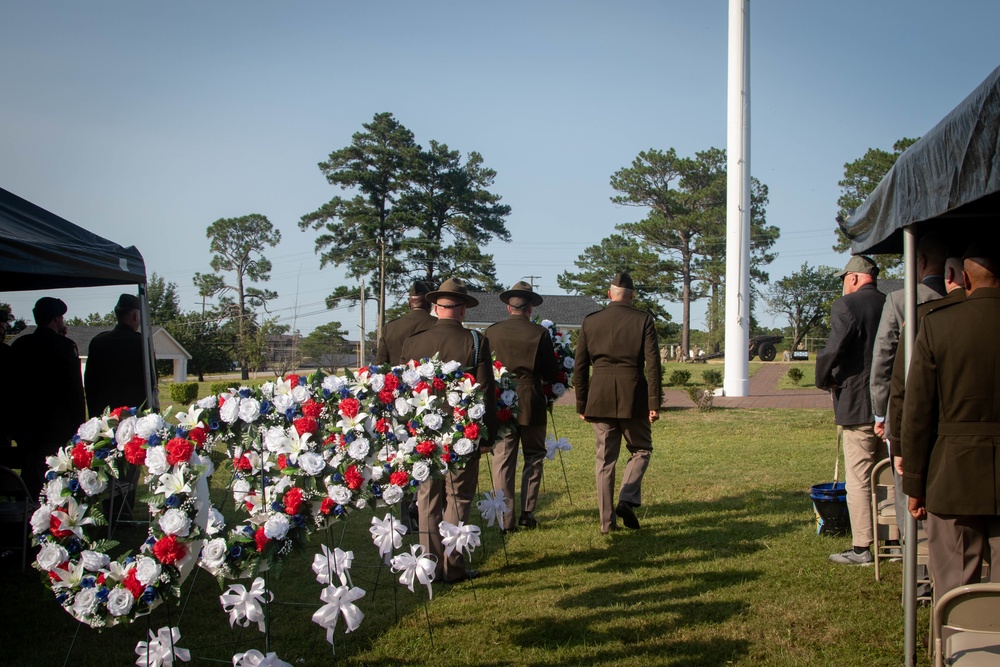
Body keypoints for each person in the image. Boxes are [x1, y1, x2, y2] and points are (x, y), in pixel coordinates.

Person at [902, 241, 1000, 599]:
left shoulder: (937, 323)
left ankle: (958, 652)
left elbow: (917, 411)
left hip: (951, 476)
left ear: (964, 279)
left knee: (957, 590)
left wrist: (914, 483)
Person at [401, 277, 498, 583]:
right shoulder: (476, 340)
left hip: (423, 432)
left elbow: (405, 391)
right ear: (462, 310)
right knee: (458, 497)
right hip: (462, 432)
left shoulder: (413, 342)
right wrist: (488, 435)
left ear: (436, 307)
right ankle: (451, 566)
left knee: (427, 497)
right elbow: (484, 392)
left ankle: (428, 566)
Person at [574, 272, 661, 534]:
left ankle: (606, 523)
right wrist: (654, 402)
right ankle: (627, 497)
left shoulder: (590, 321)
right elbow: (653, 365)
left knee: (604, 461)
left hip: (598, 397)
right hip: (633, 395)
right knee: (641, 449)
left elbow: (579, 367)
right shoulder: (643, 320)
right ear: (632, 295)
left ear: (609, 294)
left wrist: (581, 404)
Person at [815, 255, 886, 565]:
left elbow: (833, 349)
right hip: (891, 406)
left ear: (854, 278)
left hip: (857, 404)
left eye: (844, 278)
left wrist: (824, 379)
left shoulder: (848, 306)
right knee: (887, 475)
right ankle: (893, 540)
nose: (844, 284)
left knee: (859, 478)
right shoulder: (894, 303)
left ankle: (862, 547)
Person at [485, 281, 557, 532]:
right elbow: (550, 371)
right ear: (530, 308)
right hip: (531, 400)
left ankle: (505, 519)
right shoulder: (539, 333)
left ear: (508, 307)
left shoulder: (491, 332)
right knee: (534, 457)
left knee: (503, 460)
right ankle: (527, 511)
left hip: (501, 402)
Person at [10, 297, 86, 497]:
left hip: (26, 425)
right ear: (55, 319)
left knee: (30, 472)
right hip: (57, 426)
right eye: (61, 318)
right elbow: (74, 391)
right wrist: (80, 426)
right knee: (58, 474)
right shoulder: (64, 346)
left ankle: (27, 506)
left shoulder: (20, 345)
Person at [84, 293, 150, 416]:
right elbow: (151, 381)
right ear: (136, 316)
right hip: (134, 415)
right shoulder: (142, 343)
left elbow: (90, 384)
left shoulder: (98, 341)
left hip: (104, 416)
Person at [376, 280, 435, 365]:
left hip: (395, 377)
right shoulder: (438, 325)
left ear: (409, 304)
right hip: (429, 378)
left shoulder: (390, 328)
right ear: (429, 304)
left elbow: (380, 365)